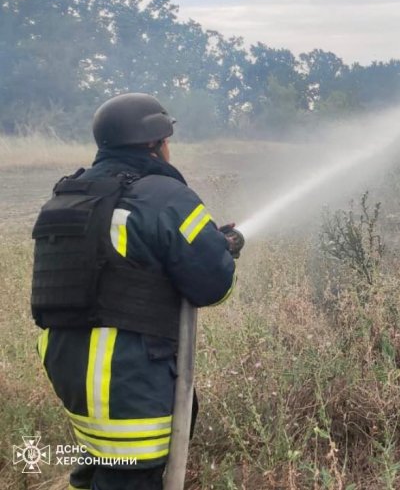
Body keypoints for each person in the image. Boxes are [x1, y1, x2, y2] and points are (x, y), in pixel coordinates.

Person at [30, 93, 243, 490]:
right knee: (129, 476)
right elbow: (213, 286)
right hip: (126, 376)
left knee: (96, 466)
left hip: (69, 367)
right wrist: (224, 251)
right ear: (154, 144)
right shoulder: (167, 197)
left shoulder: (67, 196)